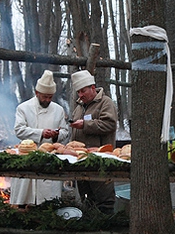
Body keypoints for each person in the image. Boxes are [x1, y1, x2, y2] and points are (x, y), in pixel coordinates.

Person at [11, 70, 70, 206]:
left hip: (49, 157)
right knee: (24, 197)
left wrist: (56, 135)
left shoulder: (58, 110)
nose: (47, 100)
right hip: (27, 156)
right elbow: (19, 130)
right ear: (37, 93)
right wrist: (41, 133)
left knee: (48, 197)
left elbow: (65, 132)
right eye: (44, 97)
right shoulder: (23, 108)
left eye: (50, 97)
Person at [69, 69, 118, 213]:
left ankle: (106, 228)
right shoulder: (79, 106)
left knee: (104, 197)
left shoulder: (105, 102)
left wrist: (84, 125)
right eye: (78, 92)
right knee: (87, 197)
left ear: (92, 87)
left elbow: (109, 124)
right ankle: (90, 226)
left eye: (83, 91)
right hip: (82, 160)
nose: (80, 95)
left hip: (101, 160)